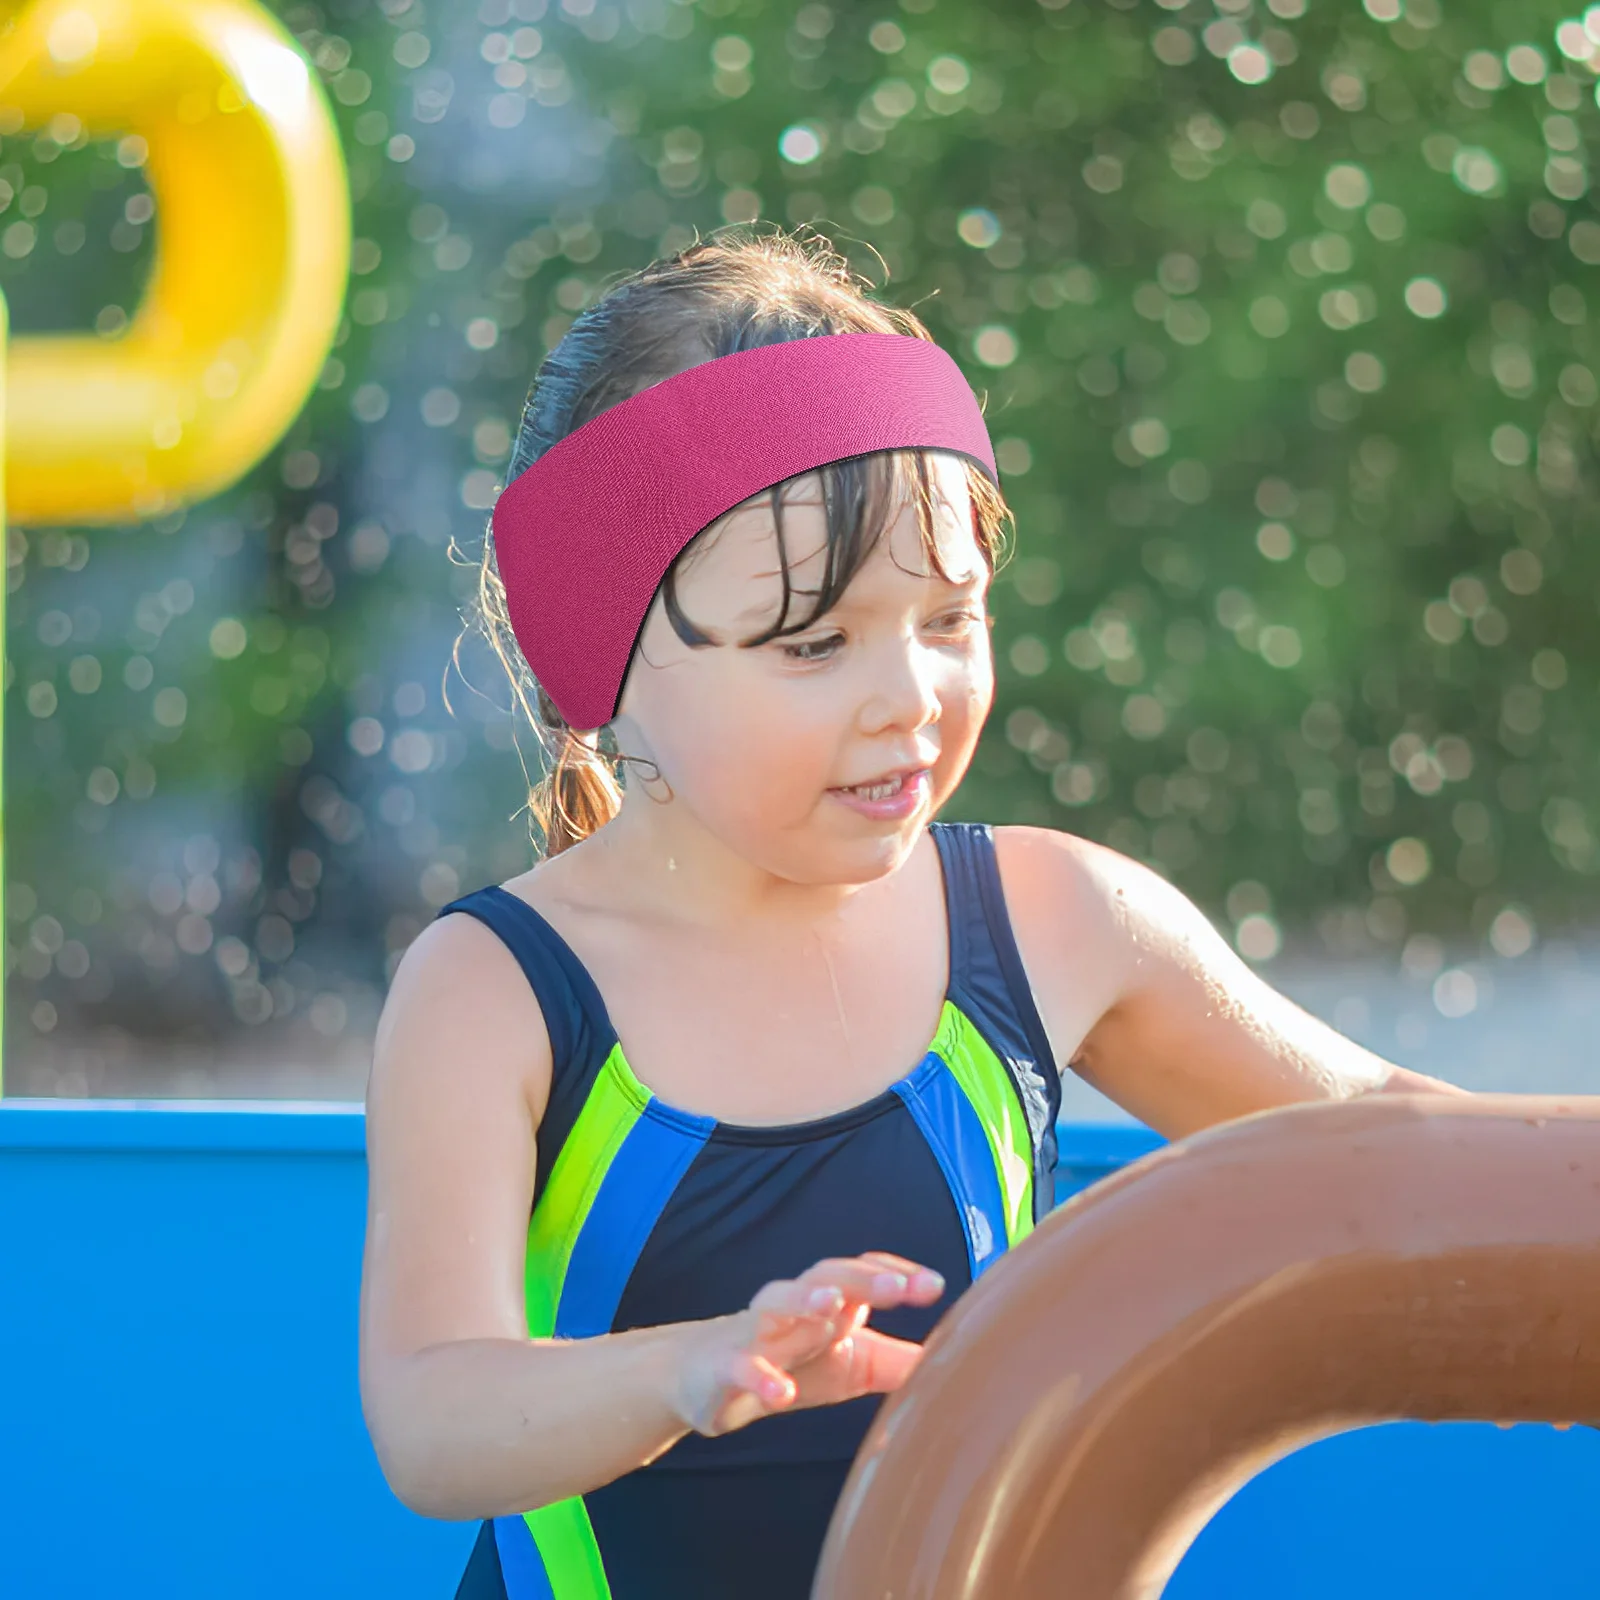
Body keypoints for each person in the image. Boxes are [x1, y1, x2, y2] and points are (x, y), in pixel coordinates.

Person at [357, 225, 1467, 1600]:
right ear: (601, 658)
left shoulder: (1055, 920)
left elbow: (1418, 1159)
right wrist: (693, 1371)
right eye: (814, 643)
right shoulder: (500, 988)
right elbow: (434, 1419)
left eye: (950, 619)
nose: (909, 698)